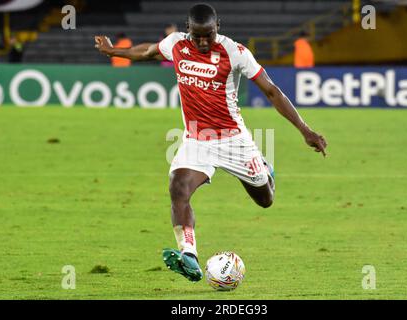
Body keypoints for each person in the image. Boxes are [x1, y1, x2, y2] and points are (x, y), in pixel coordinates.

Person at [95, 3, 327, 282]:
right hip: (197, 139)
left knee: (265, 200)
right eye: (197, 36)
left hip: (234, 140)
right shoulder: (176, 44)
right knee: (178, 187)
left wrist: (305, 130)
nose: (203, 42)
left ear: (219, 27)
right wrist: (114, 51)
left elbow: (272, 91)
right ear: (188, 29)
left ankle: (264, 169)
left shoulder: (235, 52)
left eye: (209, 35)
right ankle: (189, 256)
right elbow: (147, 51)